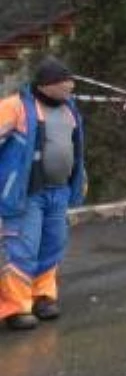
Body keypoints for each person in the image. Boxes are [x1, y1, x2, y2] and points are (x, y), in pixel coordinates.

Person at [0, 57, 87, 330]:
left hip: (59, 191)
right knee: (23, 248)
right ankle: (16, 308)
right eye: (64, 84)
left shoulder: (69, 109)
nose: (69, 88)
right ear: (46, 85)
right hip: (25, 193)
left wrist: (80, 178)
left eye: (70, 85)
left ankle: (43, 298)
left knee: (53, 244)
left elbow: (74, 147)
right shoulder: (15, 107)